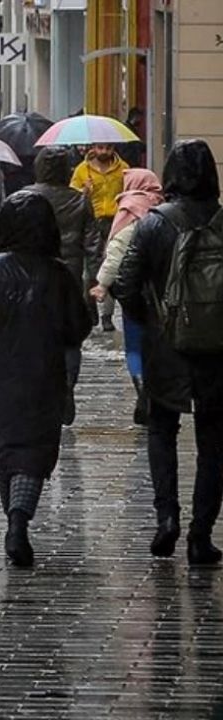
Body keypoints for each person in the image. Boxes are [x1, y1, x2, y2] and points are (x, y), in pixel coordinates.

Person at [0, 190, 92, 567]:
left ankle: (15, 521)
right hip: (43, 378)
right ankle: (18, 520)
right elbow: (79, 326)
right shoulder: (59, 273)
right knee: (33, 455)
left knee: (4, 452)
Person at [112, 139, 223, 564]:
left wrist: (149, 321)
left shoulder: (154, 223)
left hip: (166, 345)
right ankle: (201, 535)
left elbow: (125, 284)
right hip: (215, 348)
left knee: (162, 429)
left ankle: (166, 519)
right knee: (213, 440)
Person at [27, 146, 102, 422]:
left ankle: (41, 391)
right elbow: (93, 246)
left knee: (35, 336)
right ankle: (67, 385)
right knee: (70, 337)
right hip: (70, 277)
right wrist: (95, 284)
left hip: (31, 279)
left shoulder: (24, 198)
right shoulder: (80, 202)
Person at [91, 168, 163, 426]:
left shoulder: (130, 208)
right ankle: (154, 388)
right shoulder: (161, 208)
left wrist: (102, 283)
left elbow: (117, 251)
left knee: (134, 343)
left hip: (134, 291)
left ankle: (142, 387)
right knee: (156, 341)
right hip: (160, 290)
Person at [71, 143, 131, 331]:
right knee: (90, 271)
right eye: (100, 148)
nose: (104, 152)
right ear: (93, 148)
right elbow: (72, 197)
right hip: (92, 222)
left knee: (112, 266)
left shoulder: (124, 169)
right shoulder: (82, 170)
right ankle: (91, 311)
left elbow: (129, 192)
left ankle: (107, 315)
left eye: (108, 148)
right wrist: (85, 191)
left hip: (116, 220)